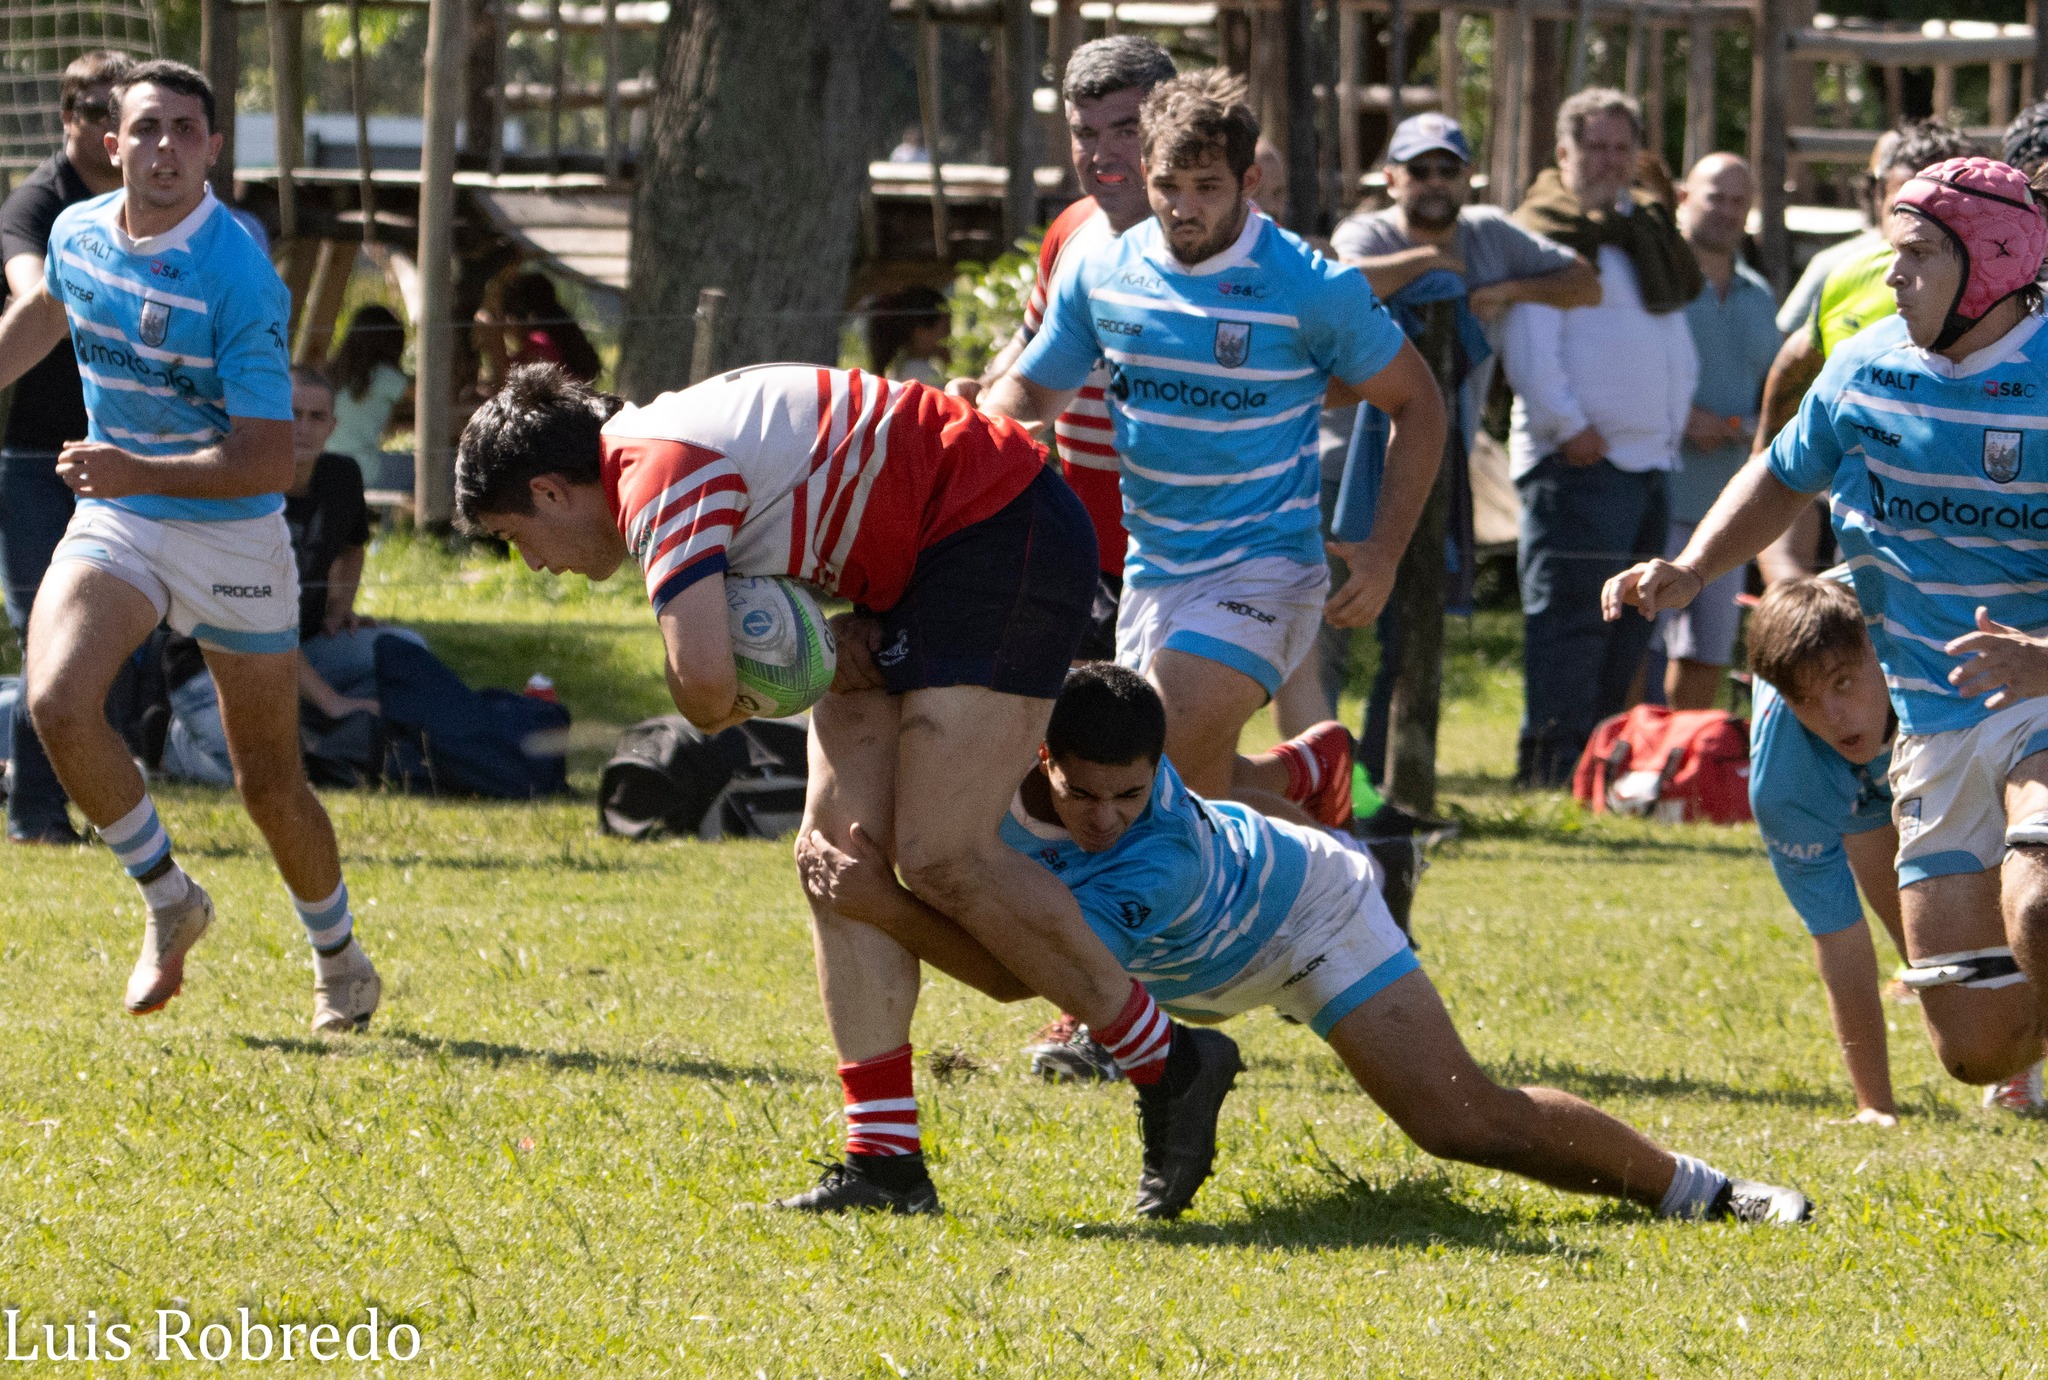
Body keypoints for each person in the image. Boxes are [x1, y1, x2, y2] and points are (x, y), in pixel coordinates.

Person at [454, 361, 1242, 1218]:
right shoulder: (659, 448)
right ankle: (884, 1161)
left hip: (997, 527)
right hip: (915, 563)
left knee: (944, 854)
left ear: (551, 490)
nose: (531, 563)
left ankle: (1169, 1061)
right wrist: (815, 644)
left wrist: (764, 664)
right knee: (833, 859)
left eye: (514, 535)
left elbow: (707, 688)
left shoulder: (650, 470)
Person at [796, 662, 1815, 1225]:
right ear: (1039, 754)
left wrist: (885, 909)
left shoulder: (1153, 859)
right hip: (1203, 958)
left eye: (1130, 793)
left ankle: (1703, 1192)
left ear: (1160, 771)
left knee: (1461, 1122)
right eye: (1081, 793)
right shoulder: (988, 768)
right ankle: (1316, 775)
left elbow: (1028, 980)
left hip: (1301, 924)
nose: (1104, 817)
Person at [1605, 155, 2048, 1091]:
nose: (1893, 276)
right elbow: (1780, 473)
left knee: (2041, 900)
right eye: (1895, 254)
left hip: (2040, 701)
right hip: (1931, 725)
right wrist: (1692, 568)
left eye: (1921, 255)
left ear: (1998, 262)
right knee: (1978, 1049)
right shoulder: (1866, 366)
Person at [0, 60, 382, 1030]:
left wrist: (136, 469)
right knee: (56, 700)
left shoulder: (237, 274)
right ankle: (169, 898)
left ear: (212, 149)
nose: (163, 147)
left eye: (183, 130)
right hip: (122, 521)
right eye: (145, 128)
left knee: (269, 781)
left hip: (229, 540)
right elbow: (47, 314)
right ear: (109, 142)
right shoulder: (76, 234)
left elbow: (263, 462)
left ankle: (338, 957)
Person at [982, 69, 1447, 834]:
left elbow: (1417, 401)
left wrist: (1384, 550)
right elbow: (1030, 390)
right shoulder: (1104, 269)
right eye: (1168, 184)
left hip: (1265, 570)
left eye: (1207, 185)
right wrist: (1005, 428)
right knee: (1177, 803)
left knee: (1125, 767)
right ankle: (1324, 817)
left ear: (1249, 180)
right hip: (1154, 574)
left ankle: (1149, 942)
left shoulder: (1307, 283)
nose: (1184, 206)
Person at [1282, 111, 1598, 758]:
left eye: (1446, 169)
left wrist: (1503, 287)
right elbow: (1343, 284)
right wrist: (1431, 262)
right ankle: (1320, 785)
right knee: (1326, 636)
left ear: (1468, 177)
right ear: (1390, 177)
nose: (1433, 182)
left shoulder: (1489, 235)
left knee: (1415, 634)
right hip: (1339, 466)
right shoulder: (1367, 231)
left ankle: (1389, 781)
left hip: (1430, 464)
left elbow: (1583, 283)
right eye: (1418, 169)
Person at [1746, 577, 2045, 1118]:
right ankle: (2009, 1056)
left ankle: (2020, 1060)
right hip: (1862, 786)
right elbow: (1840, 944)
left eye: (1842, 683)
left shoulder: (1953, 655)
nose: (1832, 717)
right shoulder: (1785, 783)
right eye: (1806, 700)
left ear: (1879, 652)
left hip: (1962, 722)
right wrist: (1874, 1107)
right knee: (1928, 940)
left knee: (2028, 881)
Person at [1500, 88, 1701, 787]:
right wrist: (1568, 426)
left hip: (1646, 463)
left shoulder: (1643, 229)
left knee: (1629, 638)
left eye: (1622, 148)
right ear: (1563, 153)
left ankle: (1601, 775)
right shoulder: (1545, 235)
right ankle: (1551, 775)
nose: (1609, 161)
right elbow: (1529, 339)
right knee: (1572, 631)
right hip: (1580, 462)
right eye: (1595, 147)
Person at [965, 35, 1178, 668]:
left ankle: (1300, 768)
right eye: (1085, 133)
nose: (1102, 155)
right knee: (1066, 749)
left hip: (1190, 559)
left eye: (1126, 130)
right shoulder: (1072, 230)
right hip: (1080, 548)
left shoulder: (1219, 244)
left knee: (1162, 747)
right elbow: (1029, 343)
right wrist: (980, 397)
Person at [159, 368, 422, 784]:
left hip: (302, 649)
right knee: (258, 777)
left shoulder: (341, 477)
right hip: (217, 662)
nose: (304, 428)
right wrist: (333, 702)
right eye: (292, 414)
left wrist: (341, 606)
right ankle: (173, 745)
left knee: (405, 650)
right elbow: (258, 626)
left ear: (333, 425)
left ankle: (307, 724)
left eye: (317, 418)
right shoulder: (239, 485)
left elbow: (353, 545)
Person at [1750, 123, 1975, 585]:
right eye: (1900, 207)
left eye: (1936, 213)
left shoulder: (2007, 299)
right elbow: (1793, 383)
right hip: (1852, 529)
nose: (1912, 223)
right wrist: (1783, 578)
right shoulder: (1843, 273)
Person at [0, 49, 131, 845]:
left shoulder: (150, 202)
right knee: (41, 630)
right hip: (33, 462)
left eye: (121, 113)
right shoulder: (38, 204)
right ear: (67, 120)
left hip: (126, 454)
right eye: (96, 111)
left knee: (108, 640)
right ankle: (35, 814)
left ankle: (95, 801)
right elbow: (30, 286)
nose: (111, 128)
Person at [1653, 153, 1782, 710]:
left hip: (1727, 502)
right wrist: (1679, 418)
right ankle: (1626, 768)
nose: (1728, 211)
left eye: (1739, 201)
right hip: (1655, 490)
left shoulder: (1759, 294)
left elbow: (1776, 385)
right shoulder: (1655, 282)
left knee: (1707, 650)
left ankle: (1680, 767)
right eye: (1715, 197)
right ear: (1683, 197)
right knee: (1644, 643)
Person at [326, 304, 411, 482]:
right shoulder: (386, 377)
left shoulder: (333, 373)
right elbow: (431, 402)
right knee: (437, 468)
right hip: (365, 471)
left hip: (326, 468)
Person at [476, 269, 601, 388]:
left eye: (503, 314)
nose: (504, 322)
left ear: (517, 315)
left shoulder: (540, 344)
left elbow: (509, 389)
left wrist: (495, 340)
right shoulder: (546, 341)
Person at [865, 284, 949, 387]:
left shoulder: (897, 368)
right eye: (945, 328)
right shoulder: (923, 375)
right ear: (920, 332)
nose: (948, 335)